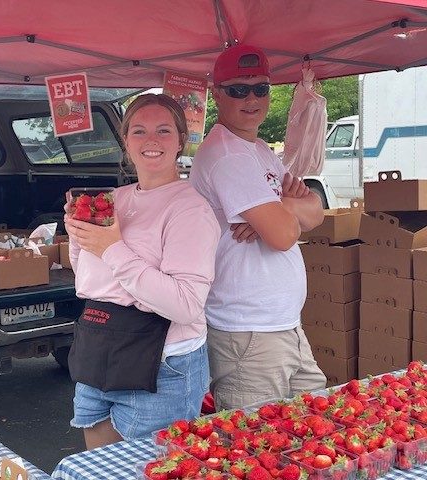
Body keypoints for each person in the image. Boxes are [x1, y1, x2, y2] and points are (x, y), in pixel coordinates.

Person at [64, 93, 220, 449]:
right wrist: (78, 236)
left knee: (147, 468)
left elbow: (184, 306)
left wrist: (112, 249)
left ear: (181, 140)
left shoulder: (190, 210)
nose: (151, 140)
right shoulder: (114, 199)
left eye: (164, 130)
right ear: (125, 140)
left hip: (162, 363)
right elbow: (88, 281)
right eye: (139, 131)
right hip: (99, 345)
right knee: (101, 465)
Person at [189, 44, 327, 410]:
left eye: (260, 89)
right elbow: (283, 236)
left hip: (282, 327)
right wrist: (281, 216)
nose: (251, 98)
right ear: (217, 94)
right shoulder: (227, 154)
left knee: (314, 434)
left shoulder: (259, 148)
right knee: (252, 453)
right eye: (237, 90)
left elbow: (317, 212)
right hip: (247, 333)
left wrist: (279, 208)